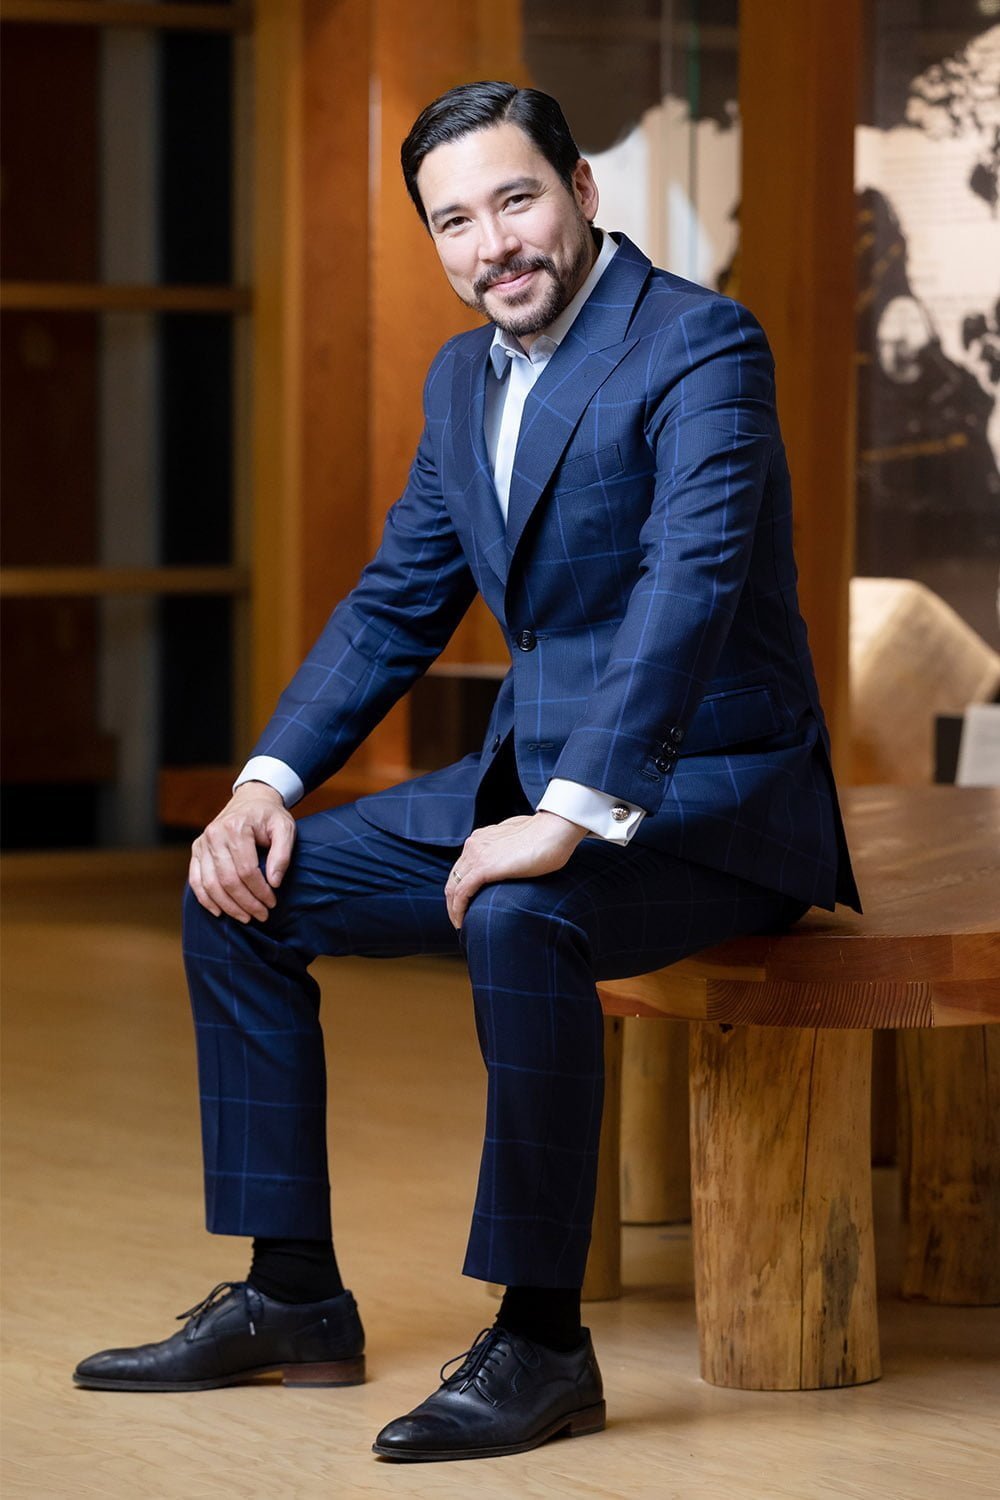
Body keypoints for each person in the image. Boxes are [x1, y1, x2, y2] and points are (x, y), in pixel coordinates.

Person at [73, 80, 860, 1461]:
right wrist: (264, 784)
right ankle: (293, 1295)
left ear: (582, 192)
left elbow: (688, 590)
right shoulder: (463, 378)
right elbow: (397, 603)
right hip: (531, 777)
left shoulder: (700, 344)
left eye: (516, 199)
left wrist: (569, 816)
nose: (492, 244)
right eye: (453, 220)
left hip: (715, 799)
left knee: (521, 913)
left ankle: (544, 1342)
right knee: (238, 894)